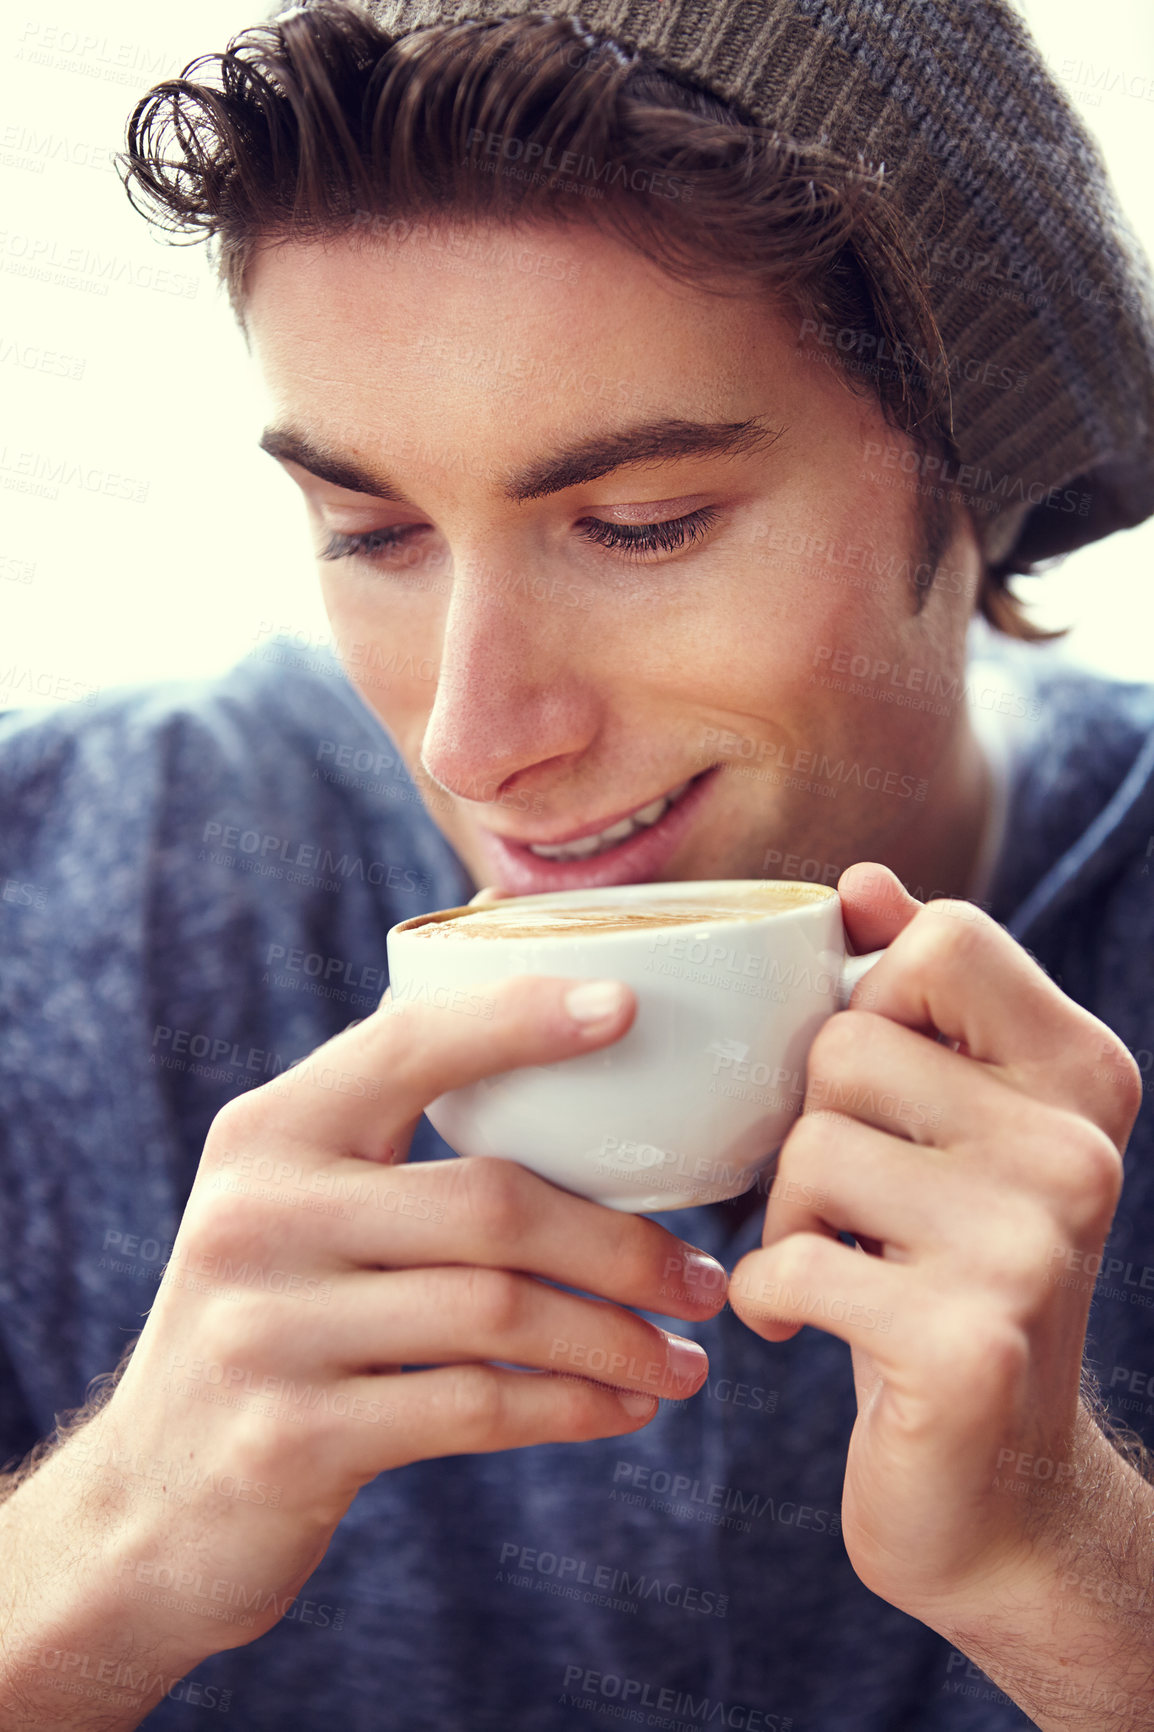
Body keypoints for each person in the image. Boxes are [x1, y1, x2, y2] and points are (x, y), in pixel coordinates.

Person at [2, 0, 1154, 1725]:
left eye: (640, 525)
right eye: (370, 534)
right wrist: (92, 1556)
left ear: (973, 482)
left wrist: (1073, 1572)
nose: (472, 742)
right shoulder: (56, 887)